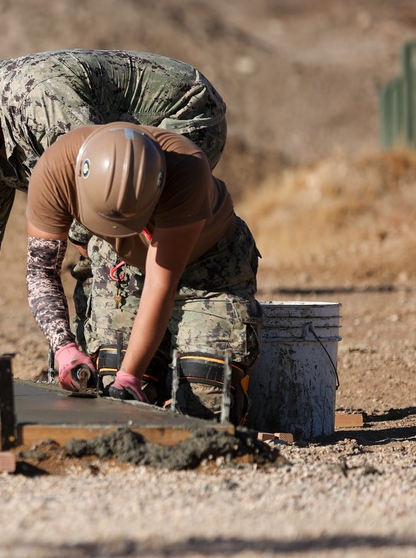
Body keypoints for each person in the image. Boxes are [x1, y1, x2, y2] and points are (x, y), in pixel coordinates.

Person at [0, 49, 229, 365]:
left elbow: (97, 186)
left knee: (121, 219)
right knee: (103, 245)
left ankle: (137, 352)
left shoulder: (43, 101)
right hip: (121, 136)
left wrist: (94, 262)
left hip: (186, 112)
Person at [25, 122, 261, 422]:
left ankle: (177, 378)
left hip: (209, 266)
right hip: (123, 264)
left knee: (205, 410)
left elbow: (160, 283)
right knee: (113, 397)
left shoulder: (187, 170)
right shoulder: (54, 170)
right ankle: (157, 376)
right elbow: (41, 271)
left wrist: (130, 377)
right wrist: (64, 348)